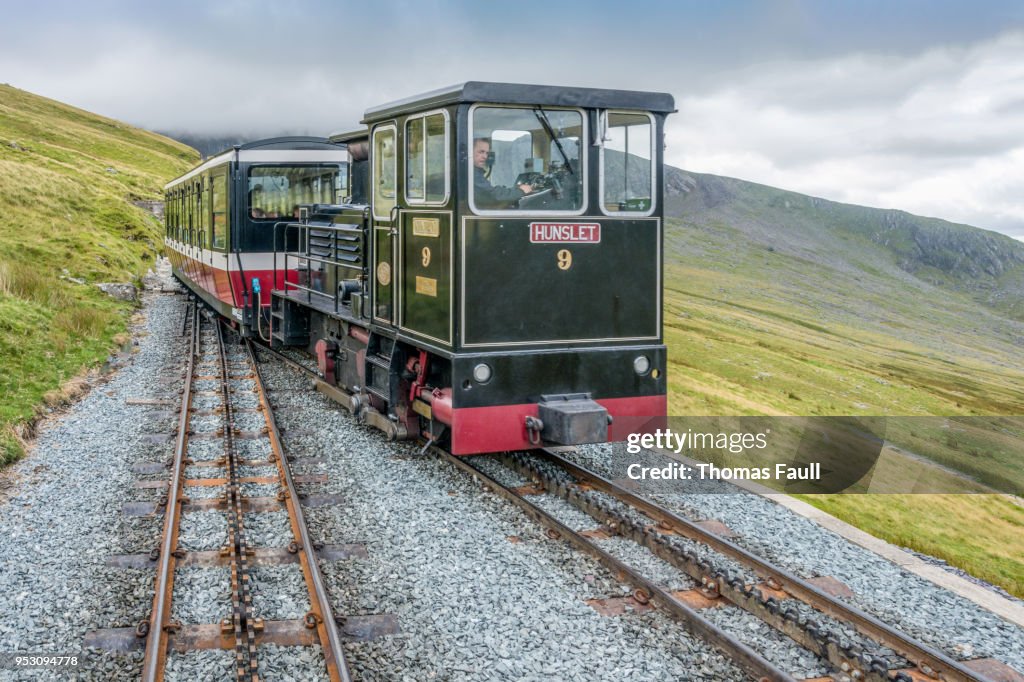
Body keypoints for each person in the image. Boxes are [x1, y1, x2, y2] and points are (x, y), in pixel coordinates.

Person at [472, 138, 533, 209]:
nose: (485, 157)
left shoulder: (475, 172)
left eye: (487, 153)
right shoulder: (472, 175)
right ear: (469, 152)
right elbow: (494, 196)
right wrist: (521, 191)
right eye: (481, 152)